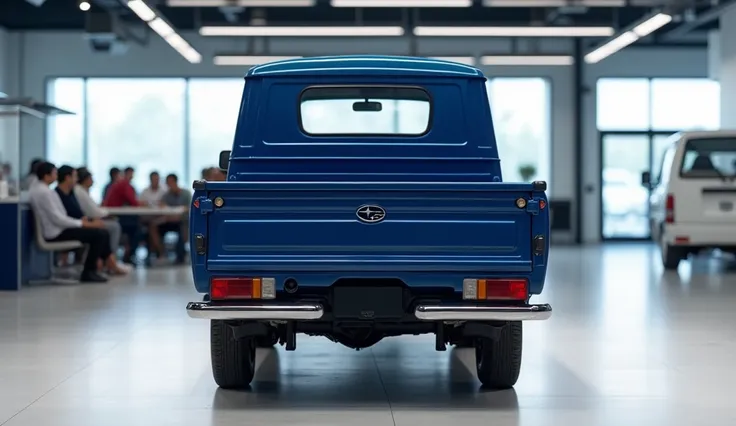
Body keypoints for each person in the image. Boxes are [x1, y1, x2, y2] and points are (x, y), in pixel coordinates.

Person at [28, 162, 110, 283]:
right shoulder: (44, 192)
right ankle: (89, 272)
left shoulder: (43, 190)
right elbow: (58, 218)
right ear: (46, 176)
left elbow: (60, 216)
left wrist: (81, 223)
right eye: (54, 173)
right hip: (56, 233)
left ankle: (92, 270)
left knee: (99, 232)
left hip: (59, 229)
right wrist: (82, 224)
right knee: (99, 234)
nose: (57, 176)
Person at [55, 166, 128, 275]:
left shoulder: (71, 193)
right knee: (103, 231)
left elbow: (77, 212)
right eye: (75, 177)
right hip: (67, 228)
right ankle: (103, 265)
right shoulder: (64, 193)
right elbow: (64, 217)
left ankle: (107, 262)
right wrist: (87, 222)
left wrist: (85, 220)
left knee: (102, 231)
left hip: (77, 223)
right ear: (67, 178)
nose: (76, 179)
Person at [148, 174, 191, 264]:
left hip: (182, 221)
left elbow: (190, 208)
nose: (170, 185)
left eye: (171, 182)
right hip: (168, 220)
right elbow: (162, 207)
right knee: (153, 226)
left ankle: (180, 256)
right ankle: (161, 253)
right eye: (168, 183)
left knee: (183, 229)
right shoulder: (166, 195)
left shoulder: (186, 193)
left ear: (176, 182)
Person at [103, 166, 142, 264]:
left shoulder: (118, 185)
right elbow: (133, 202)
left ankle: (126, 255)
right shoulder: (123, 185)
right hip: (114, 216)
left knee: (136, 224)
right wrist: (144, 204)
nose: (132, 177)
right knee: (137, 228)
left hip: (113, 214)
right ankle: (128, 255)